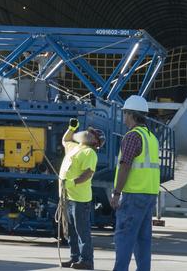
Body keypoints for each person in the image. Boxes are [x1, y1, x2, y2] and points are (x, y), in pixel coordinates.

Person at [111, 94, 159, 271]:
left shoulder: (132, 136)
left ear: (131, 114)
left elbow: (125, 166)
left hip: (133, 194)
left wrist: (116, 193)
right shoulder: (151, 138)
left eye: (125, 113)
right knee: (143, 240)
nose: (123, 117)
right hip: (149, 194)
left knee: (124, 237)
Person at [59, 122, 102, 270]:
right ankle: (75, 258)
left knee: (82, 231)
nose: (88, 133)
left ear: (95, 141)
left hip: (79, 199)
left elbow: (88, 173)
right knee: (72, 231)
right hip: (69, 197)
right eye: (89, 132)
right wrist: (71, 128)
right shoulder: (76, 147)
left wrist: (72, 183)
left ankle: (87, 261)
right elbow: (65, 140)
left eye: (92, 134)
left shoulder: (90, 153)